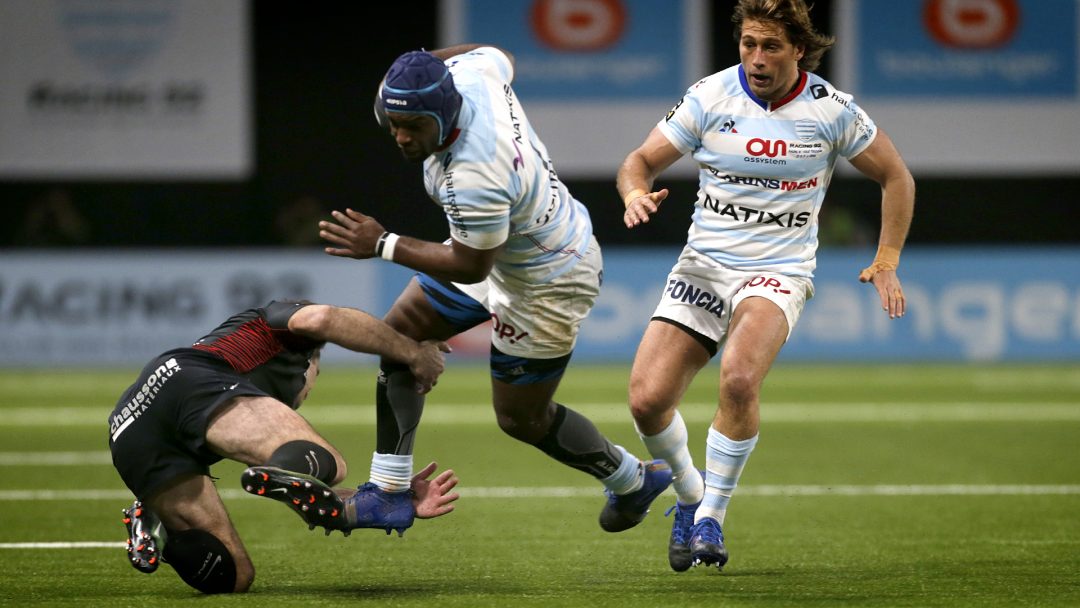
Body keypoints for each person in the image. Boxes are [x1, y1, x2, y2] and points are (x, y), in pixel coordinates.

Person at [318, 45, 671, 536]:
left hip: (548, 276)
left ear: (446, 113)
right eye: (393, 122)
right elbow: (497, 52)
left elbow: (469, 264)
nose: (400, 137)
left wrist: (381, 243)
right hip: (505, 244)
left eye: (415, 125)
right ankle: (388, 491)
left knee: (521, 420)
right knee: (398, 337)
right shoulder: (471, 73)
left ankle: (633, 481)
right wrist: (426, 66)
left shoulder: (475, 172)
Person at [616, 0, 915, 572]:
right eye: (749, 43)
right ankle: (688, 494)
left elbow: (895, 176)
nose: (756, 57)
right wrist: (634, 193)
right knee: (647, 400)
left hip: (778, 270)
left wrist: (888, 257)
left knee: (739, 377)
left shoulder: (831, 109)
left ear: (798, 50)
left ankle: (711, 520)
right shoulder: (710, 96)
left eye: (771, 46)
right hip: (704, 265)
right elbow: (639, 160)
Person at [109, 300, 459, 594]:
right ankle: (163, 512)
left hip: (128, 429)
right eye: (314, 381)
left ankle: (158, 527)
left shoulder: (240, 393)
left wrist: (398, 501)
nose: (306, 394)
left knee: (233, 577)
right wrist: (412, 351)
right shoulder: (274, 329)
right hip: (184, 380)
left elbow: (309, 492)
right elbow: (321, 318)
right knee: (330, 463)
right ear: (309, 366)